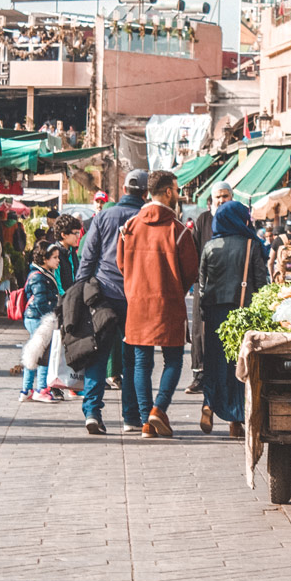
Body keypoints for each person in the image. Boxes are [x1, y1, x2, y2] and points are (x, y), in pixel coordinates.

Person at [117, 170, 199, 438]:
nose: (178, 194)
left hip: (137, 305)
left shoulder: (129, 228)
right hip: (169, 304)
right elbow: (191, 271)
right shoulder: (178, 232)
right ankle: (158, 409)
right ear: (167, 193)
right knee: (173, 359)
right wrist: (175, 287)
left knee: (142, 363)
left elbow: (121, 265)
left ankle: (145, 421)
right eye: (176, 190)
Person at [75, 169, 148, 435]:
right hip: (135, 297)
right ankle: (131, 417)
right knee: (132, 358)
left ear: (124, 190)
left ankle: (92, 411)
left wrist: (80, 290)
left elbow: (88, 256)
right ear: (145, 192)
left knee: (98, 354)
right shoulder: (146, 218)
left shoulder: (104, 216)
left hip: (103, 295)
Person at [198, 200, 268, 437]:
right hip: (242, 313)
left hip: (215, 313)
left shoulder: (209, 246)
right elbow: (260, 284)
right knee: (238, 364)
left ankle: (208, 403)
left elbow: (201, 284)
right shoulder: (251, 245)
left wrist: (202, 312)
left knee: (214, 363)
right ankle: (235, 420)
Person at [186, 181, 233, 395]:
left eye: (225, 196)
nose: (221, 200)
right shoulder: (203, 220)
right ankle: (200, 375)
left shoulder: (238, 220)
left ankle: (227, 377)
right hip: (204, 284)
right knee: (201, 330)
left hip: (231, 285)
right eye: (218, 197)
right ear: (211, 201)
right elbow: (193, 251)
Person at [20, 241, 61, 403]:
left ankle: (27, 389)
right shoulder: (39, 277)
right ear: (44, 259)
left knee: (33, 352)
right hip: (39, 318)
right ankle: (42, 389)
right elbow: (40, 300)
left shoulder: (41, 274)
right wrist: (51, 315)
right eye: (55, 257)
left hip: (35, 317)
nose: (58, 260)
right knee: (44, 354)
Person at [53, 214, 82, 293]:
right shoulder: (54, 255)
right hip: (64, 302)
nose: (78, 236)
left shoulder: (72, 251)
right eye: (75, 233)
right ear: (64, 235)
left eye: (78, 233)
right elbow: (57, 286)